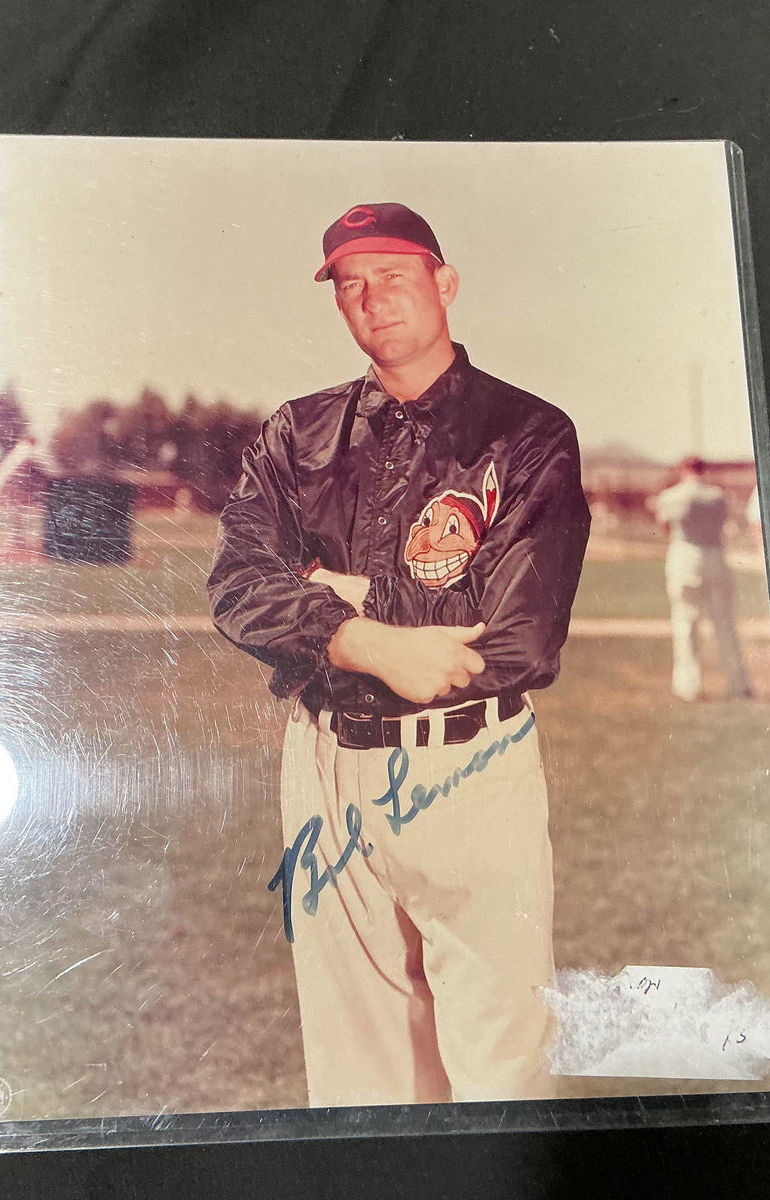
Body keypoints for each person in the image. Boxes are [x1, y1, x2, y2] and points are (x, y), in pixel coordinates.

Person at [206, 202, 591, 1108]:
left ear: (444, 284)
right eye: (351, 284)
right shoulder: (298, 432)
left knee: (502, 1058)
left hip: (467, 760)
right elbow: (235, 583)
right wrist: (363, 634)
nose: (373, 299)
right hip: (325, 761)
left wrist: (320, 594)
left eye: (394, 276)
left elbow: (518, 635)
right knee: (357, 1067)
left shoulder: (528, 434)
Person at [649, 456, 754, 702]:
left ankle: (689, 687)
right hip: (715, 557)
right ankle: (738, 684)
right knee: (725, 624)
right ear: (703, 470)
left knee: (686, 624)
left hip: (685, 556)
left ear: (682, 470)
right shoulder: (718, 496)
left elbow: (665, 528)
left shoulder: (672, 496)